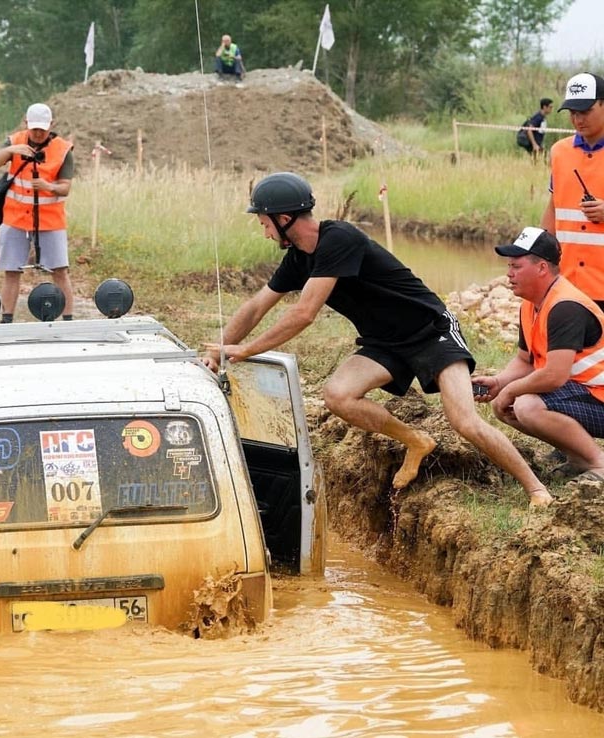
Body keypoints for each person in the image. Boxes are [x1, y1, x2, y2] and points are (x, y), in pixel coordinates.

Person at [203, 172, 553, 507]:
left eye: (264, 224)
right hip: (384, 342)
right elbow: (255, 306)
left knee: (463, 420)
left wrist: (247, 350)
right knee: (338, 396)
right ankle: (416, 441)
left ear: (283, 219)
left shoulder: (339, 239)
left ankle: (536, 489)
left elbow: (305, 313)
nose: (264, 233)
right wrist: (220, 350)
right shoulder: (297, 260)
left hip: (431, 331)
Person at [473, 227, 604, 482]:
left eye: (516, 267)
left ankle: (599, 465)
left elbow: (554, 376)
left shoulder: (565, 307)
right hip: (585, 393)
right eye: (509, 266)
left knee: (526, 405)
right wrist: (499, 383)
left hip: (597, 395)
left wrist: (511, 390)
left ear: (542, 268)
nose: (509, 274)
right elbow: (526, 361)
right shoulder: (531, 304)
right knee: (511, 403)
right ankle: (579, 459)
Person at [0, 103, 75, 323]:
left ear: (51, 126)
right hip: (15, 219)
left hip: (51, 221)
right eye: (34, 128)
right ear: (26, 124)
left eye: (42, 129)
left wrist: (48, 186)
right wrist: (10, 151)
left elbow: (65, 187)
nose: (38, 133)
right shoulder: (14, 141)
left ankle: (67, 320)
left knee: (60, 271)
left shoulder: (63, 149)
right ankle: (6, 319)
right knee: (11, 270)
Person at [540, 72, 604, 309]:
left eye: (585, 111)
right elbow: (553, 210)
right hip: (568, 285)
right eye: (573, 112)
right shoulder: (559, 152)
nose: (578, 119)